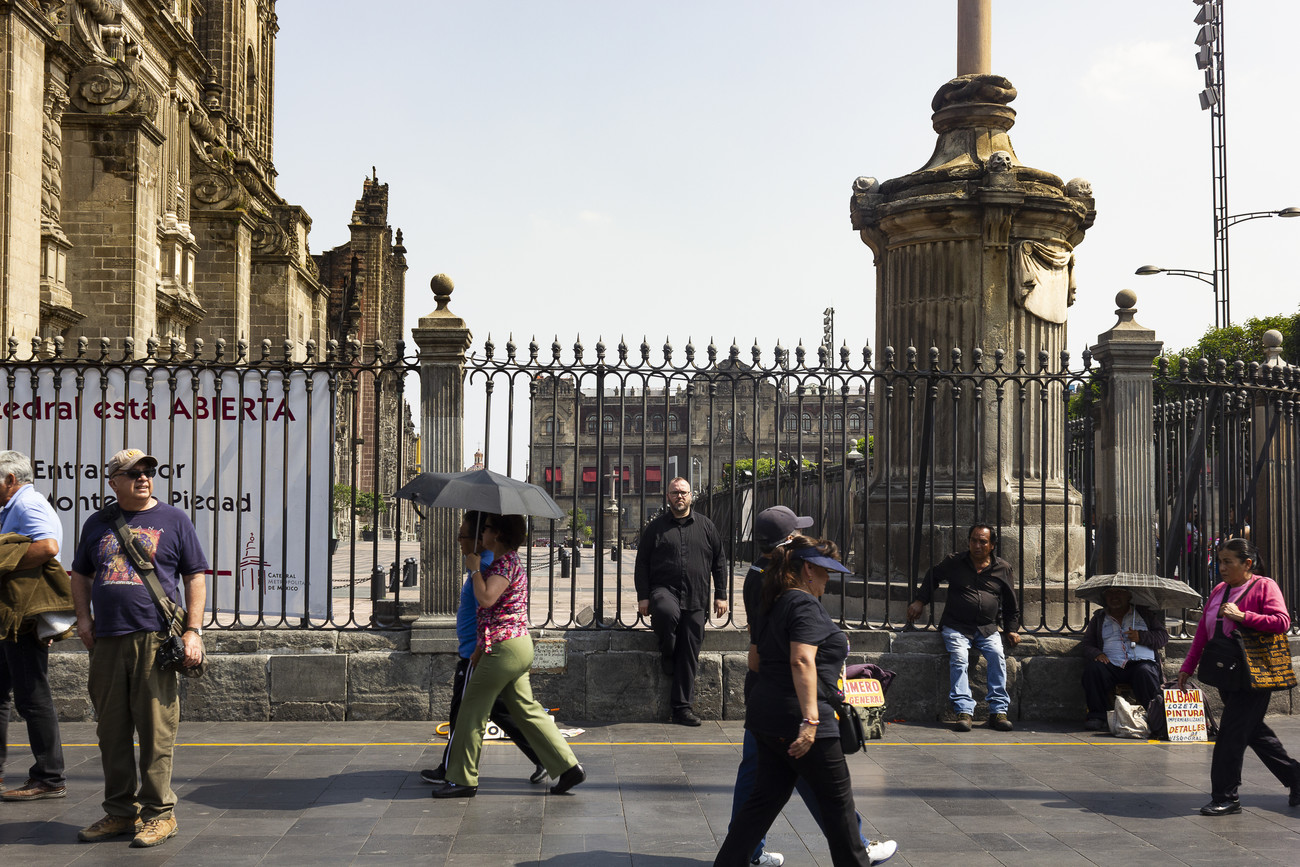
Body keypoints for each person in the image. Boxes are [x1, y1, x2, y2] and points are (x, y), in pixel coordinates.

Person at [727, 507, 895, 867]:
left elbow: (763, 655)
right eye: (824, 570)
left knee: (760, 804)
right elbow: (800, 659)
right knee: (837, 804)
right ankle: (859, 849)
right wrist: (811, 719)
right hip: (800, 715)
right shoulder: (799, 601)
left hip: (767, 711)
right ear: (804, 565)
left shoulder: (767, 587)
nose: (828, 579)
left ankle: (744, 855)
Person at [69, 449, 208, 847]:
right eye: (133, 473)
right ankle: (119, 812)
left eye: (148, 471)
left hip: (155, 639)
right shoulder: (98, 523)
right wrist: (83, 619)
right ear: (113, 482)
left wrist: (193, 631)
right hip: (108, 641)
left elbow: (194, 576)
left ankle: (160, 814)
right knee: (111, 731)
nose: (143, 478)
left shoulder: (174, 519)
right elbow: (80, 574)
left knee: (155, 731)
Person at [430, 512, 584, 798]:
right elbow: (490, 614)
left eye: (486, 529)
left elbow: (487, 598)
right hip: (513, 645)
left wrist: (474, 569)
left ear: (497, 534)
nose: (482, 533)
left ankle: (463, 779)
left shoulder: (503, 564)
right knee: (527, 710)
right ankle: (568, 767)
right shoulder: (506, 563)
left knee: (470, 712)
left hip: (504, 648)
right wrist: (478, 648)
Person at [421, 511, 546, 786]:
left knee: (465, 712)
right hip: (481, 650)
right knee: (503, 711)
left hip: (481, 652)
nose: (458, 540)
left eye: (463, 535)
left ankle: (454, 771)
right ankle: (546, 758)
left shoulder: (490, 566)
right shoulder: (483, 564)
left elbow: (487, 609)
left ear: (482, 537)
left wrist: (478, 649)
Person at [1178, 538, 1300, 816]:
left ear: (1247, 564)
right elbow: (1202, 634)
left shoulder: (1265, 586)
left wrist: (1244, 615)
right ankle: (1296, 778)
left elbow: (1282, 621)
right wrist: (1187, 667)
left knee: (1231, 735)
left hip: (1253, 674)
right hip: (1226, 673)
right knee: (1255, 732)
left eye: (1227, 562)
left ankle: (1226, 795)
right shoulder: (1219, 590)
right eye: (1220, 561)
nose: (1221, 567)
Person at [0, 450, 69, 801]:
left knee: (33, 697)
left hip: (24, 618)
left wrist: (5, 561)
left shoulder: (28, 506)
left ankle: (49, 776)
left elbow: (48, 547)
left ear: (10, 480)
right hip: (11, 617)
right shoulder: (14, 507)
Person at [907, 524, 1021, 732]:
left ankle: (998, 711)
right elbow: (933, 576)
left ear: (992, 545)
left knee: (997, 655)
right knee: (959, 657)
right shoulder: (955, 562)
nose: (977, 545)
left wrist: (1011, 628)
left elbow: (1011, 602)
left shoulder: (1002, 568)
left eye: (983, 542)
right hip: (957, 626)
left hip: (987, 627)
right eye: (973, 540)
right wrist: (920, 601)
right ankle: (964, 710)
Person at [634, 476, 728, 726]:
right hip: (663, 590)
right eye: (675, 492)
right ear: (668, 497)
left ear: (691, 496)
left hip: (696, 595)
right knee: (665, 613)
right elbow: (641, 563)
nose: (679, 496)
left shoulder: (707, 527)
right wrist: (643, 596)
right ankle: (667, 649)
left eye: (683, 492)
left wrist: (721, 594)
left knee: (689, 653)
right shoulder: (655, 528)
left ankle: (682, 709)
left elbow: (719, 561)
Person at [1079, 587, 1167, 731]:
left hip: (1140, 663)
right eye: (1110, 593)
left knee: (1145, 672)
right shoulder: (1099, 618)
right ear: (1105, 598)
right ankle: (1097, 716)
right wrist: (1096, 654)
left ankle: (1154, 716)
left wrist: (1141, 637)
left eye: (1119, 592)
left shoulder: (1144, 614)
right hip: (1112, 664)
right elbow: (1087, 644)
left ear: (1129, 596)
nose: (1114, 596)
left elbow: (1162, 637)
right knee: (1093, 670)